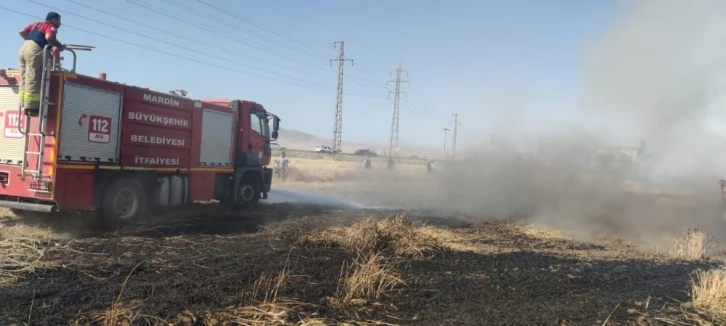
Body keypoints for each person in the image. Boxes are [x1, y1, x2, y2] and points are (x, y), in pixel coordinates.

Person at [18, 12, 65, 117]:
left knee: (24, 78)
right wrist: (60, 46)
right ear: (53, 20)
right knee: (34, 77)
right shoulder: (50, 26)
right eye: (59, 20)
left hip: (23, 48)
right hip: (34, 51)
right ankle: (33, 109)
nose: (60, 23)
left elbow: (21, 32)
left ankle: (24, 105)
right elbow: (49, 37)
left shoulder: (36, 24)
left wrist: (31, 41)